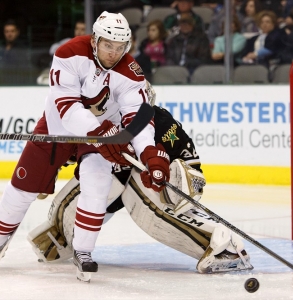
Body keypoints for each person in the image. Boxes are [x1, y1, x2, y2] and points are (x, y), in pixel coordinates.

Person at [0, 11, 170, 281]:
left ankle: (84, 251)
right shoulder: (69, 53)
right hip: (59, 128)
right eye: (108, 45)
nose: (114, 53)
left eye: (120, 47)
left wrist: (148, 154)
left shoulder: (131, 73)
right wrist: (102, 133)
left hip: (102, 135)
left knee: (97, 183)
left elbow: (137, 119)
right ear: (95, 40)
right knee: (22, 186)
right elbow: (66, 108)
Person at [27, 81, 253, 275]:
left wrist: (173, 183)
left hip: (146, 189)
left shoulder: (163, 123)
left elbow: (192, 170)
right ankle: (62, 234)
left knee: (138, 194)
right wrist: (47, 172)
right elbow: (65, 153)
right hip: (109, 190)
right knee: (100, 180)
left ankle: (222, 245)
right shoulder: (98, 122)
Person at [0, 19, 31, 85]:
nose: (9, 34)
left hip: (15, 85)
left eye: (12, 31)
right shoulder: (2, 48)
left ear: (17, 32)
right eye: (7, 31)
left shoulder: (22, 49)